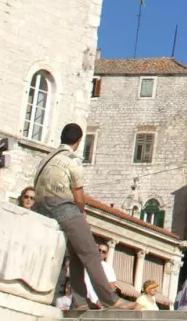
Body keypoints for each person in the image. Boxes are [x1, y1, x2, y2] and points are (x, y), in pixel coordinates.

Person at [33, 124, 130, 309]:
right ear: (78, 141)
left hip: (42, 208)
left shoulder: (46, 158)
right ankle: (110, 299)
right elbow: (78, 196)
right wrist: (82, 213)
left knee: (76, 255)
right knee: (90, 253)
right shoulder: (72, 160)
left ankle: (80, 302)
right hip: (64, 207)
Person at [82, 243, 128, 309]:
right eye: (99, 250)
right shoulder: (87, 265)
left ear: (106, 255)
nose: (100, 253)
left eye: (103, 252)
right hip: (86, 300)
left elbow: (111, 287)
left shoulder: (108, 268)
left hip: (100, 302)